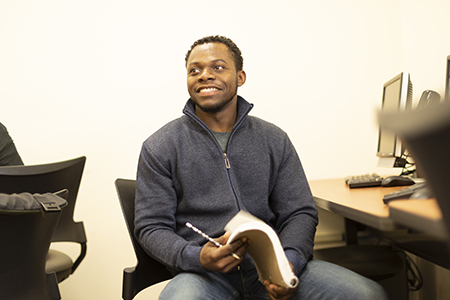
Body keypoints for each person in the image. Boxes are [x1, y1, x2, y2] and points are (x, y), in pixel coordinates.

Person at [135, 35, 388, 300]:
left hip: (270, 267)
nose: (204, 75)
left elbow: (299, 212)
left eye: (218, 67)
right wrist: (197, 256)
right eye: (194, 70)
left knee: (368, 294)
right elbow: (151, 227)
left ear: (240, 77)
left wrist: (289, 263)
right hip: (203, 274)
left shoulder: (273, 138)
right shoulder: (160, 146)